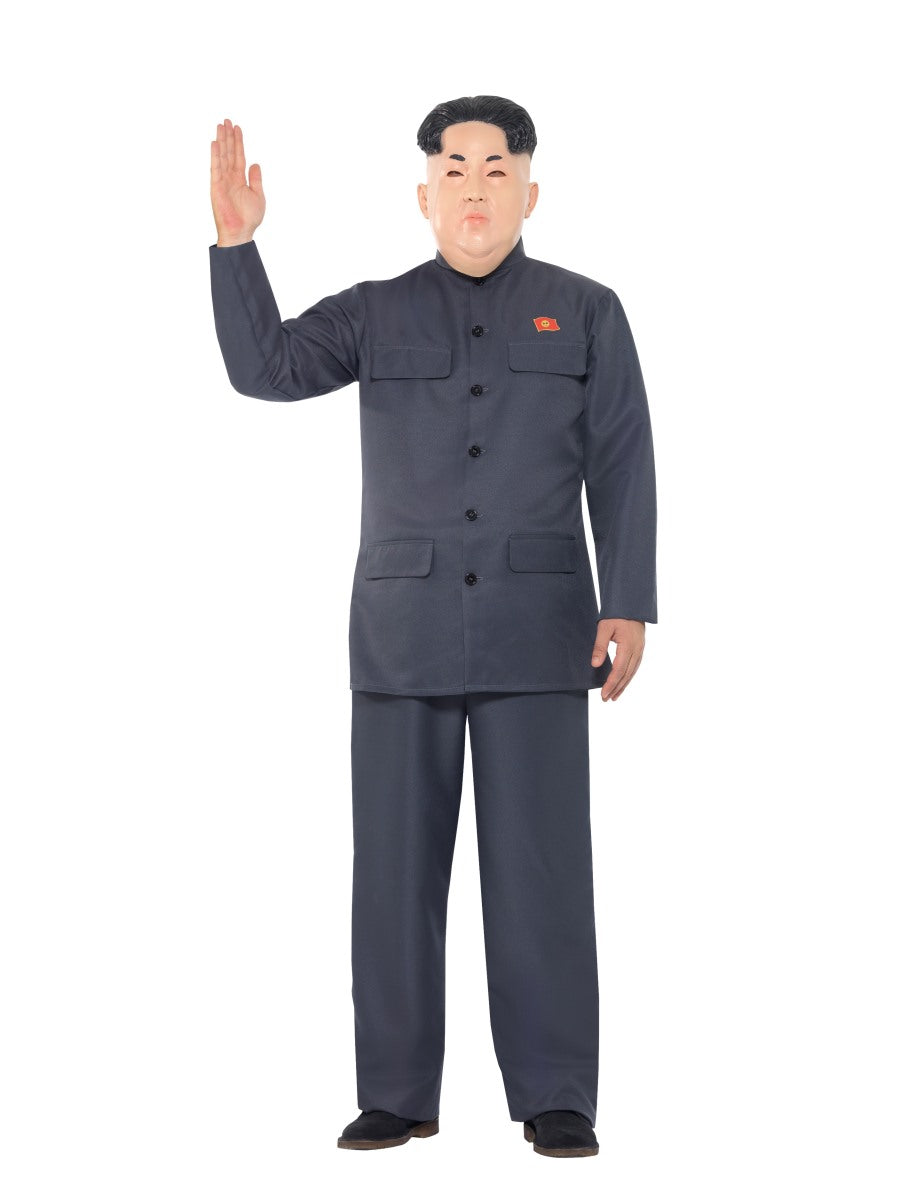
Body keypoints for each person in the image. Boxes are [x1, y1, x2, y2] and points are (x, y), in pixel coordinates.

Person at [208, 94, 657, 1159]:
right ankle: (395, 1092)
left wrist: (629, 598)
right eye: (454, 169)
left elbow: (622, 455)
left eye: (496, 169)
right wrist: (236, 249)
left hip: (539, 629)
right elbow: (266, 370)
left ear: (531, 192)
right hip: (401, 633)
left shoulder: (588, 310)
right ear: (424, 195)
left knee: (542, 874)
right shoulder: (375, 312)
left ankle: (557, 1093)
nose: (474, 188)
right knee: (393, 877)